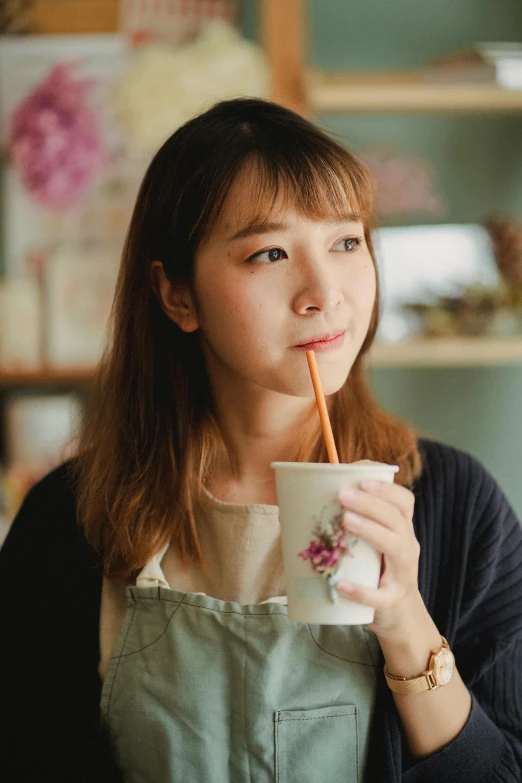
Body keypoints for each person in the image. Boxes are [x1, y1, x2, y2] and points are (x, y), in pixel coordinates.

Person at [1, 98, 521, 783]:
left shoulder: (458, 505)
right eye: (270, 252)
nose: (323, 291)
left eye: (346, 240)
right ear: (177, 295)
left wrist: (405, 624)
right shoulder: (67, 520)